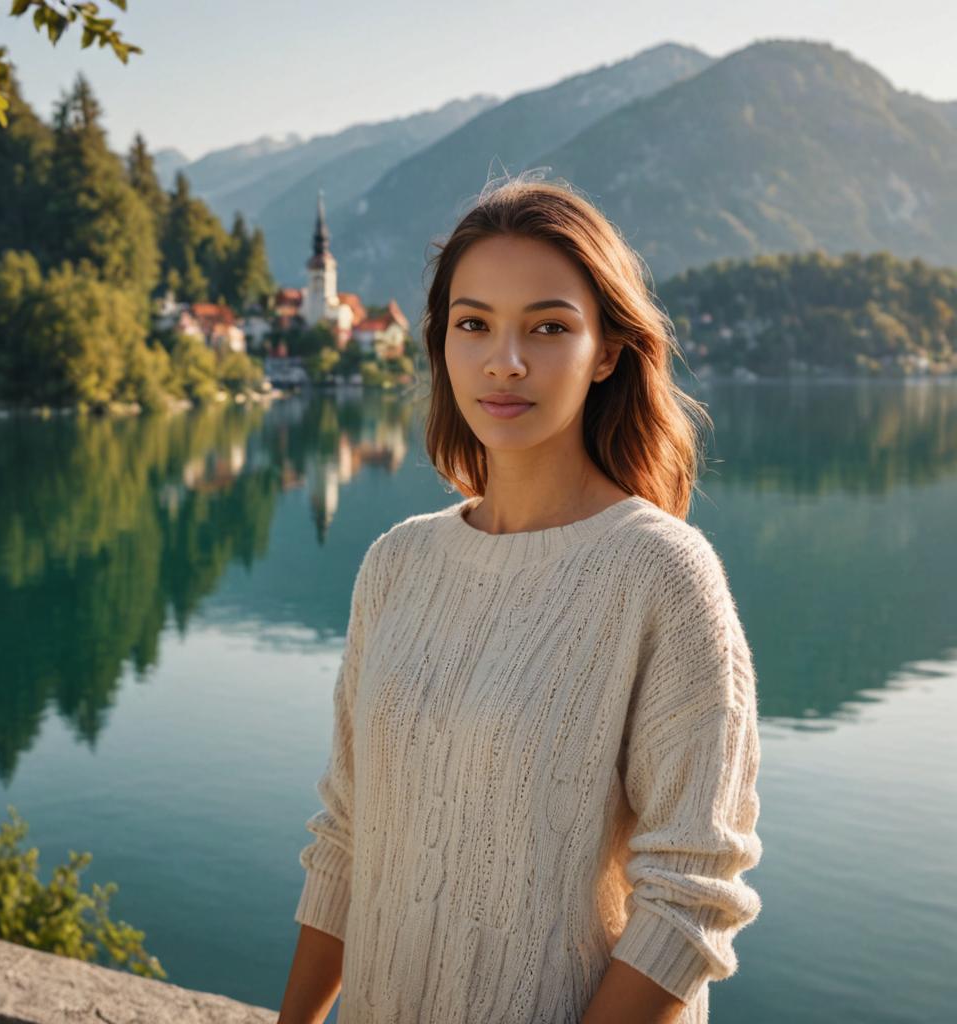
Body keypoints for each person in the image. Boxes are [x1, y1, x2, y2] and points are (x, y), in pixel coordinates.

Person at [278, 175, 763, 1024]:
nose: (506, 361)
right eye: (474, 325)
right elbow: (347, 839)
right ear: (442, 344)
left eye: (547, 327)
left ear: (607, 350)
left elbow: (689, 899)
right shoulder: (396, 565)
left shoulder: (664, 576)